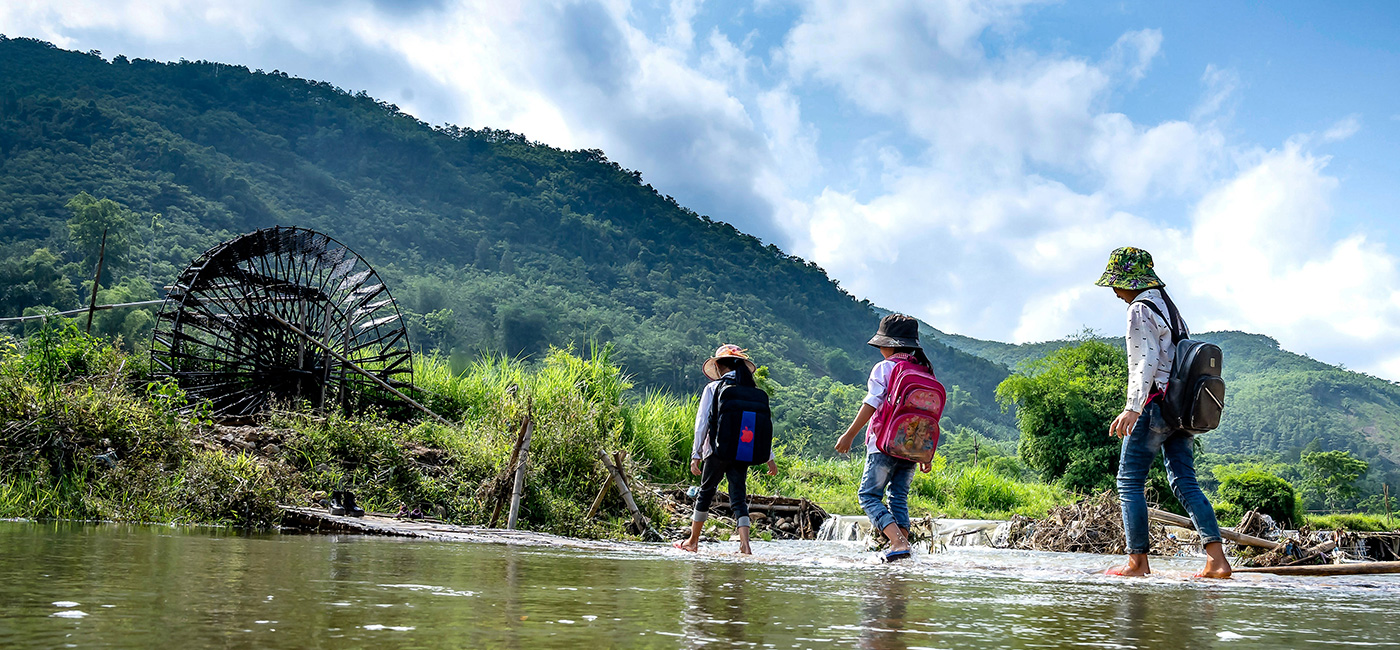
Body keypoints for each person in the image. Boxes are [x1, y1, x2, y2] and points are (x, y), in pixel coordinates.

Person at [1095, 247, 1231, 579]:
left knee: (1129, 481)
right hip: (1181, 409)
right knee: (1185, 481)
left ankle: (1137, 562)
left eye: (1117, 284)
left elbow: (1145, 360)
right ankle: (1217, 560)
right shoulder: (1169, 308)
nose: (1115, 291)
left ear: (1130, 282)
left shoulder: (1140, 309)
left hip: (1155, 404)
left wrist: (1132, 408)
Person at [835, 314, 934, 562]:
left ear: (890, 345)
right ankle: (902, 548)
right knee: (898, 496)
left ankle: (898, 542)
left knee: (868, 496)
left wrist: (849, 434)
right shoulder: (925, 371)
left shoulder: (885, 367)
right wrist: (926, 453)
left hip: (884, 443)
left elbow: (872, 402)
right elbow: (929, 416)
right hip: (913, 447)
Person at [675, 345, 778, 555]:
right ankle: (745, 546)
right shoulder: (752, 390)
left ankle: (692, 542)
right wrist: (770, 457)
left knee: (705, 492)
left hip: (716, 451)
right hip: (742, 451)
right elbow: (759, 428)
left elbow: (702, 423)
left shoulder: (713, 388)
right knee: (738, 497)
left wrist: (696, 454)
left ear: (719, 366)